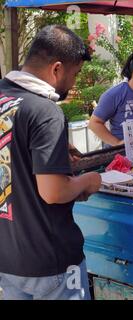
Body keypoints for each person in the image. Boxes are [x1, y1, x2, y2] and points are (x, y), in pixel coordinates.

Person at [0, 25, 102, 300]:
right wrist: (88, 181)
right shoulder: (46, 112)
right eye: (75, 73)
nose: (75, 82)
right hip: (51, 261)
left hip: (7, 258)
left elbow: (10, 150)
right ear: (57, 68)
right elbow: (53, 191)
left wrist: (49, 152)